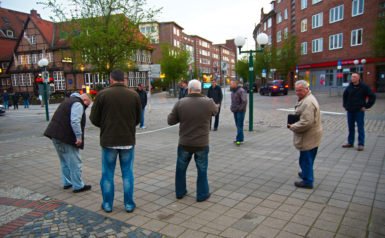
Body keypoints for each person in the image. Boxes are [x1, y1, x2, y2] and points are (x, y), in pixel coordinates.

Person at [90, 69, 141, 213]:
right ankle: (129, 205)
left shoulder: (102, 94)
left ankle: (107, 204)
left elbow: (94, 119)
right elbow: (138, 119)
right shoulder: (134, 95)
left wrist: (106, 126)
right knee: (127, 174)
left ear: (111, 79)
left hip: (108, 140)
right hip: (127, 140)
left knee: (107, 174)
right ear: (123, 79)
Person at [168, 79, 218, 202]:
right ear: (200, 89)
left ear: (189, 90)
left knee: (180, 168)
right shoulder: (208, 102)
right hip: (201, 143)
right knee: (202, 170)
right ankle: (202, 194)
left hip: (185, 142)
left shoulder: (181, 103)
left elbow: (170, 120)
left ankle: (180, 192)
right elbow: (215, 111)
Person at [44, 92, 92, 193]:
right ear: (85, 101)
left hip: (55, 135)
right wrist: (78, 137)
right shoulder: (78, 104)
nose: (86, 108)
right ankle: (78, 186)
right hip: (66, 137)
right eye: (87, 106)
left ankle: (67, 182)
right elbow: (75, 121)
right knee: (75, 162)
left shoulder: (68, 101)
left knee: (64, 160)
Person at [287, 80, 322, 189]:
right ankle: (306, 173)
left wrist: (292, 126)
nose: (297, 92)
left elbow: (306, 122)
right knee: (307, 156)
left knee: (306, 158)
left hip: (308, 135)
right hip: (313, 134)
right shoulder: (307, 99)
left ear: (306, 89)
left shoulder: (308, 102)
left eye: (300, 90)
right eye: (296, 90)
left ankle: (307, 181)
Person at [342, 73, 376, 151]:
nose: (352, 78)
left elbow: (372, 96)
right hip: (350, 110)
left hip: (359, 111)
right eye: (352, 77)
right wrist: (345, 105)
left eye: (354, 77)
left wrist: (366, 106)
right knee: (351, 127)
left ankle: (361, 144)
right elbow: (345, 96)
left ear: (358, 78)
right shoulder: (349, 87)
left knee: (360, 127)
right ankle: (350, 142)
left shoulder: (364, 87)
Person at [230, 80, 247, 145]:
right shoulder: (233, 91)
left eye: (231, 84)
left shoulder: (241, 91)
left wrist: (240, 109)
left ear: (235, 84)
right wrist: (232, 107)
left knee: (239, 125)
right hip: (235, 110)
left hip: (240, 111)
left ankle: (239, 139)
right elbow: (233, 101)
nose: (230, 85)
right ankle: (241, 138)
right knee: (238, 125)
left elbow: (244, 101)